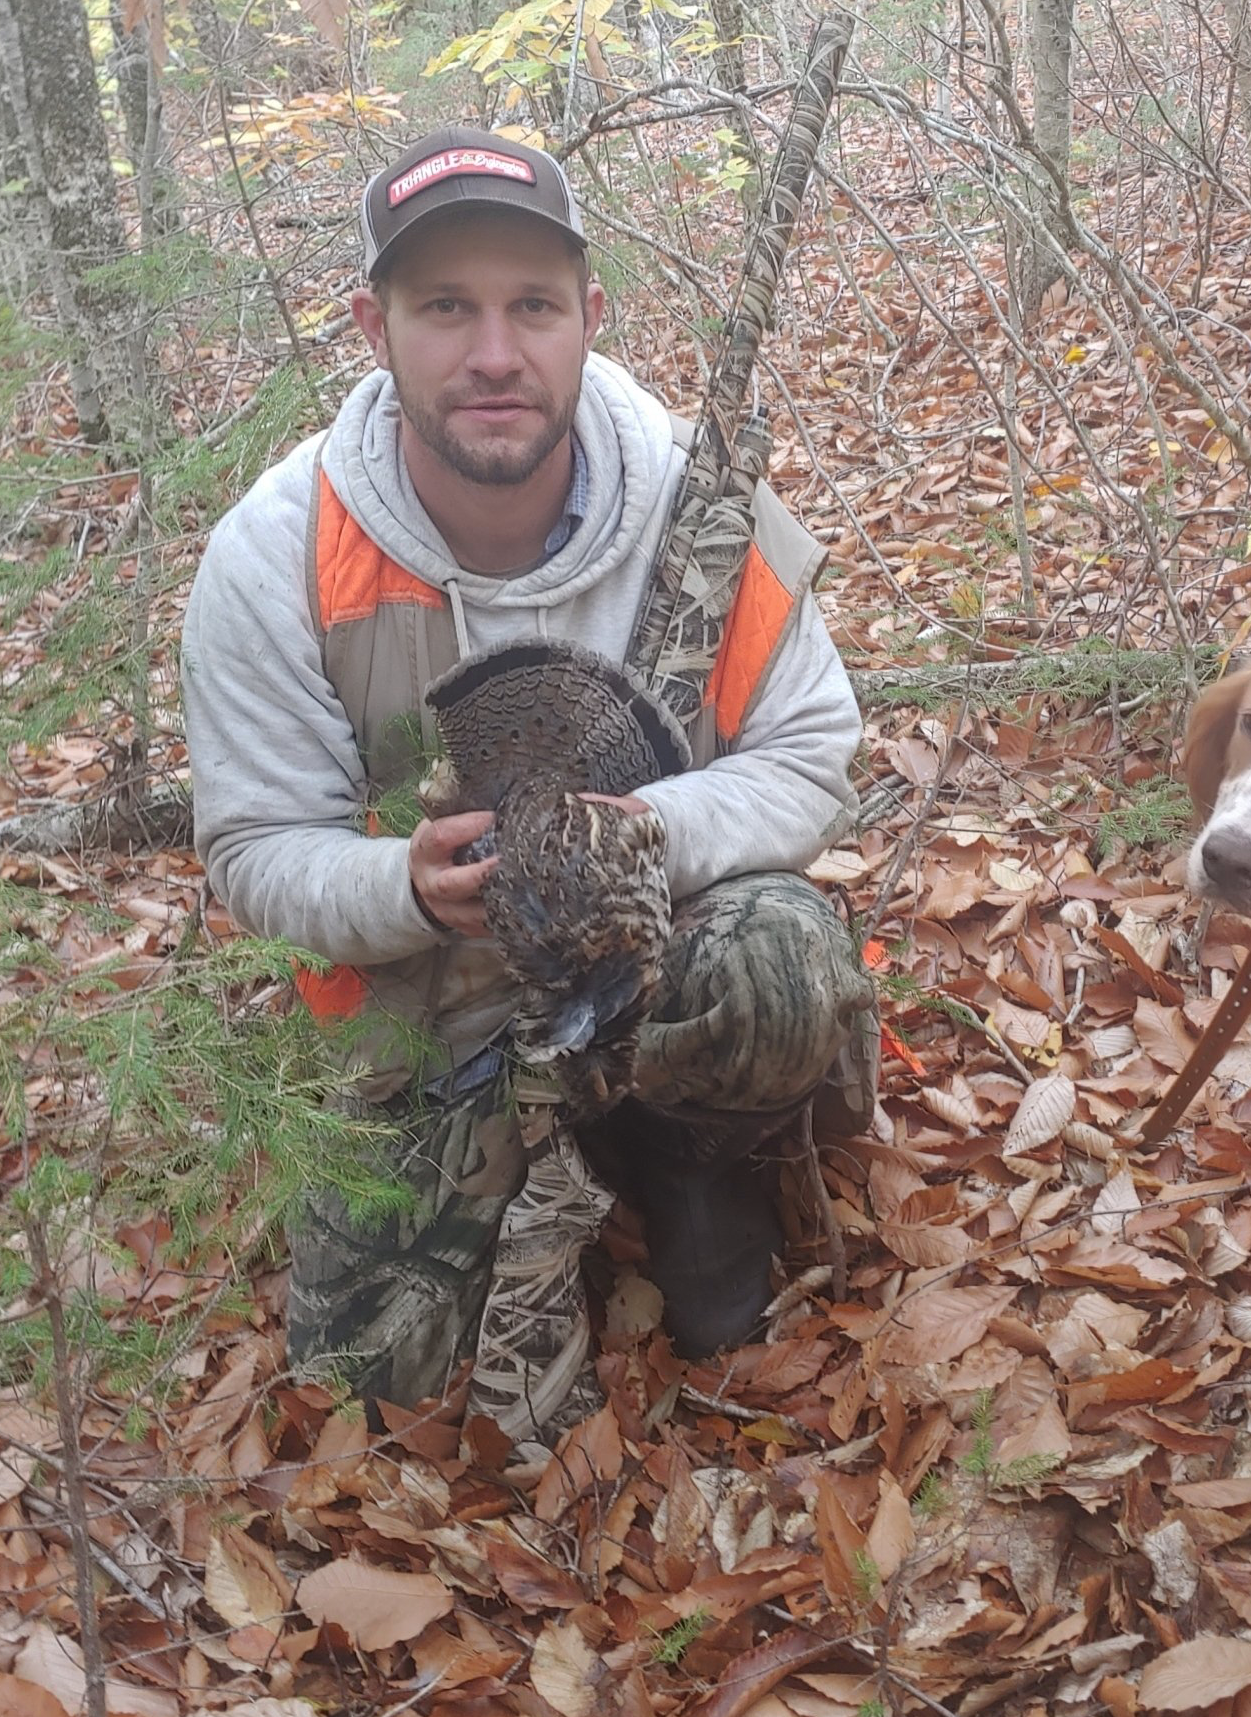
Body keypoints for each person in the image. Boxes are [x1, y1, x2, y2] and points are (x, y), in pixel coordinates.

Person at [182, 127, 875, 1443]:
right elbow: (257, 847)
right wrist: (404, 886)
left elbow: (809, 753)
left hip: (658, 955)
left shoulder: (701, 507)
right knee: (364, 1378)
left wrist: (653, 833)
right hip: (425, 1002)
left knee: (782, 961)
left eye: (532, 307)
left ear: (589, 319)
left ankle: (689, 1157)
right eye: (446, 307)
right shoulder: (276, 554)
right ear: (372, 327)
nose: (493, 354)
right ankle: (496, 1163)